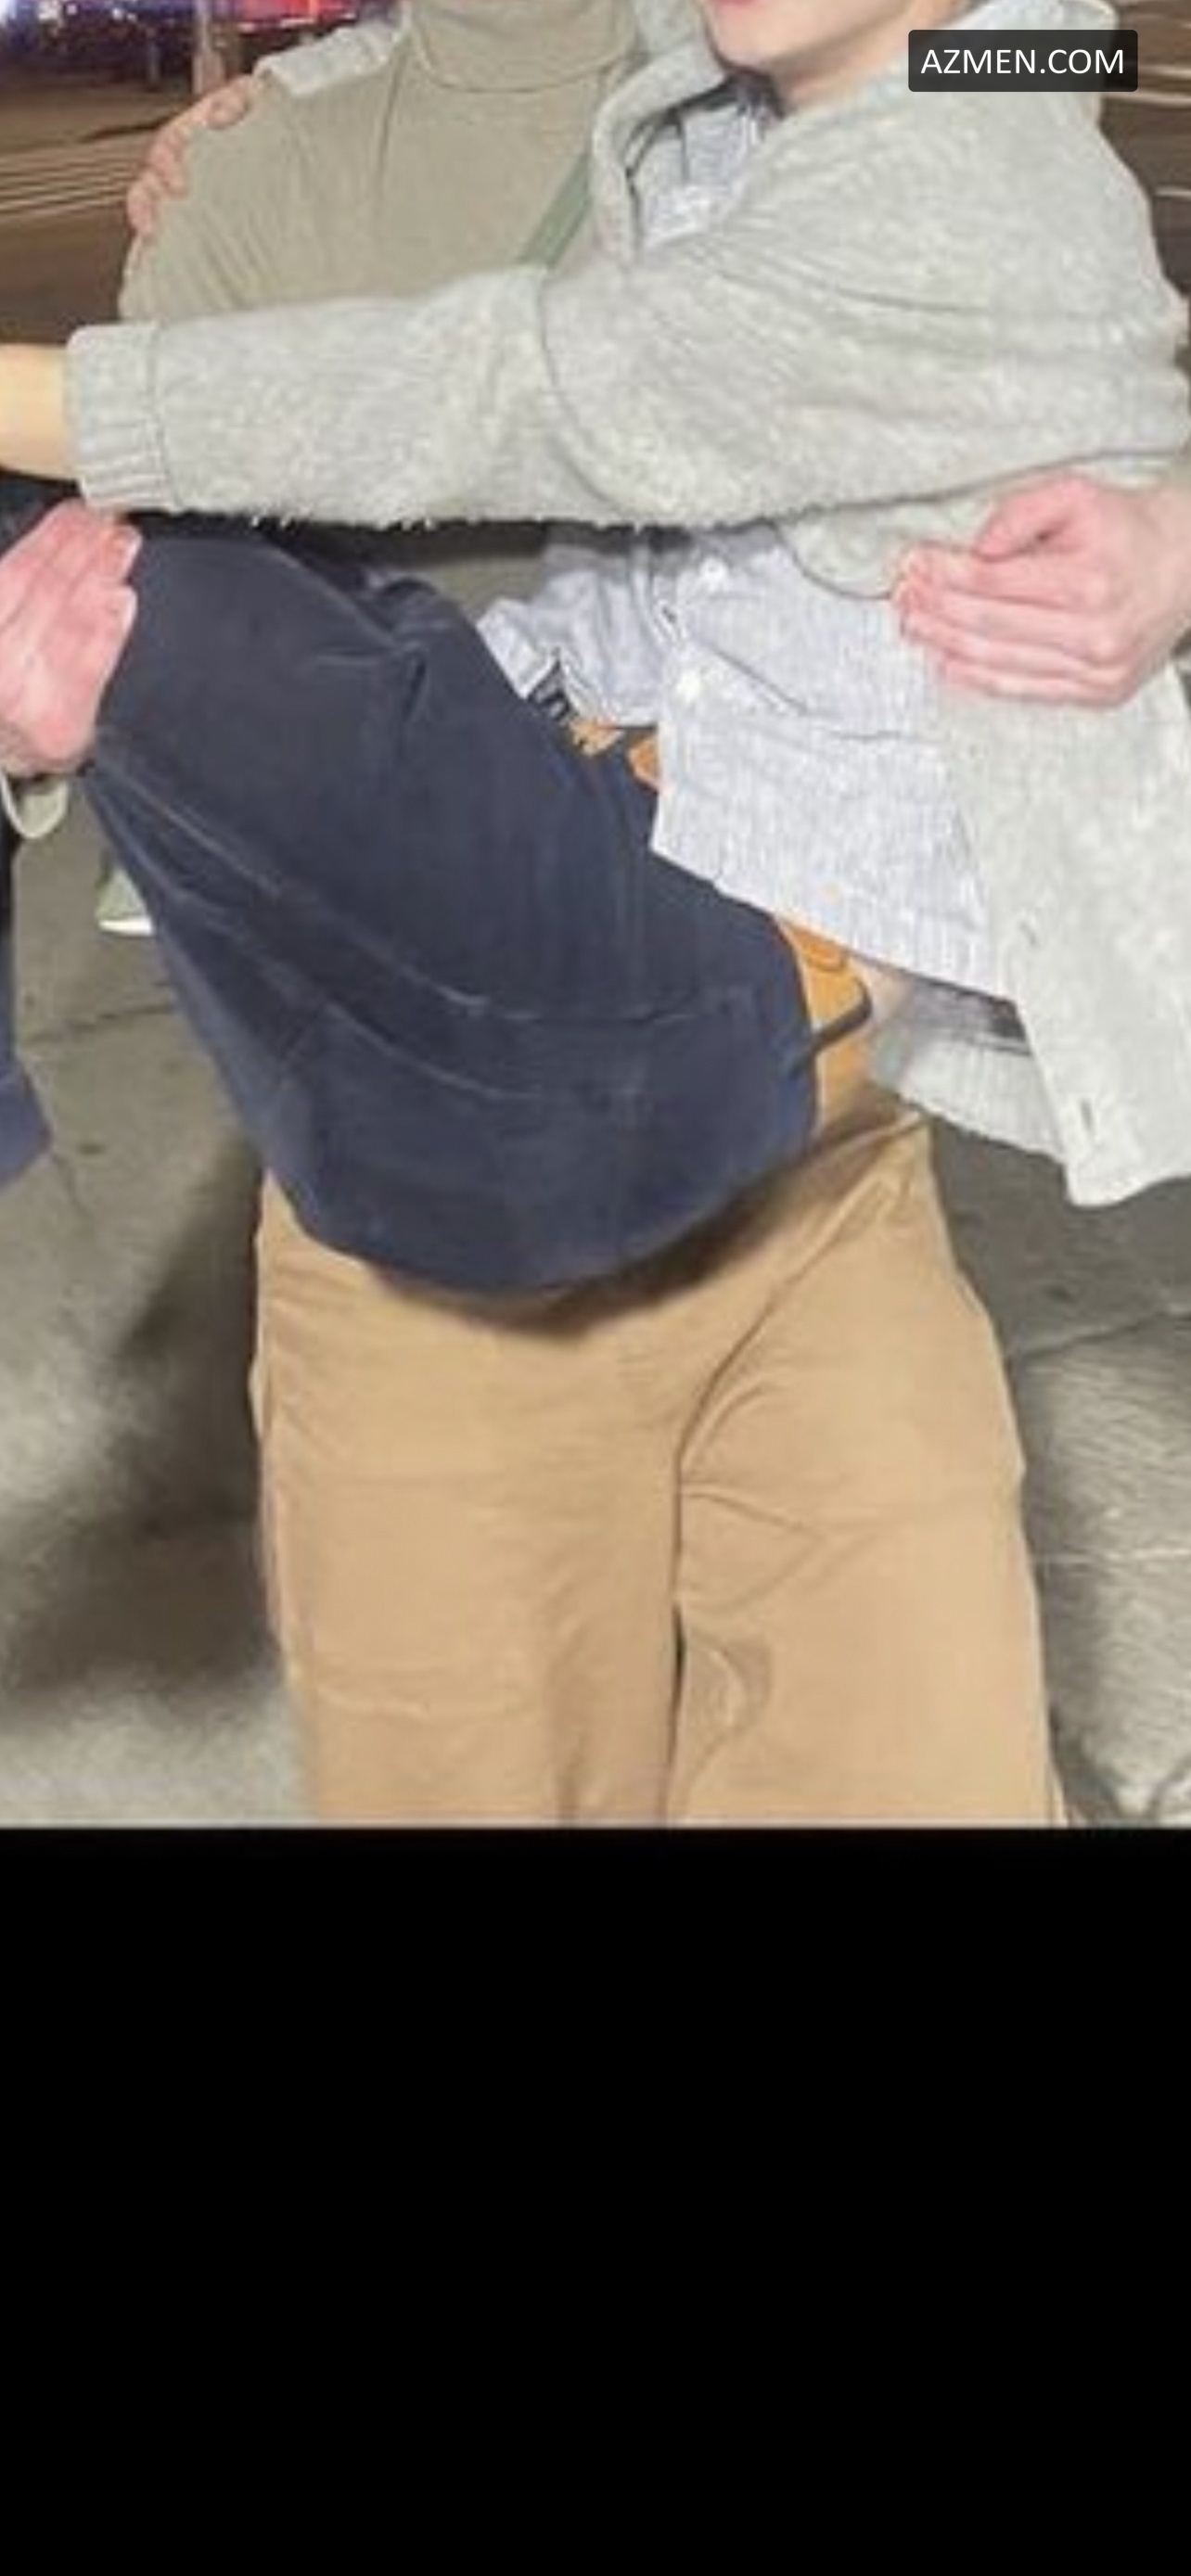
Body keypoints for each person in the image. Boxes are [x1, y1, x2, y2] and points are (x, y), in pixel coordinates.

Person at [0, 0, 1182, 1818]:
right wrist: (37, 728)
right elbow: (114, 595)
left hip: (833, 1163)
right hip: (463, 1254)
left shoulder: (772, 59)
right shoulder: (267, 179)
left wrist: (1174, 523)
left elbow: (1051, 70)